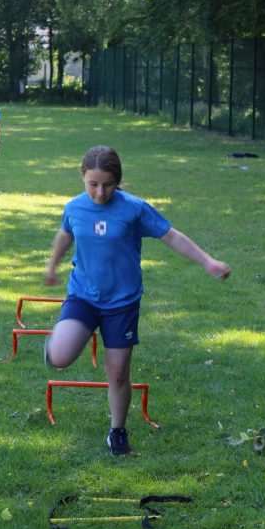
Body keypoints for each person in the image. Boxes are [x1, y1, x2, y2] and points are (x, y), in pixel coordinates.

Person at [42, 146, 231, 456]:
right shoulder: (74, 208)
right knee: (60, 358)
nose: (100, 192)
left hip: (122, 303)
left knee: (118, 372)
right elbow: (65, 235)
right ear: (82, 177)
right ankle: (55, 345)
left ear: (118, 181)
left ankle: (117, 431)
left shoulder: (133, 209)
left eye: (108, 185)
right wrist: (52, 266)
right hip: (83, 296)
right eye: (93, 184)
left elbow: (171, 235)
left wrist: (208, 262)